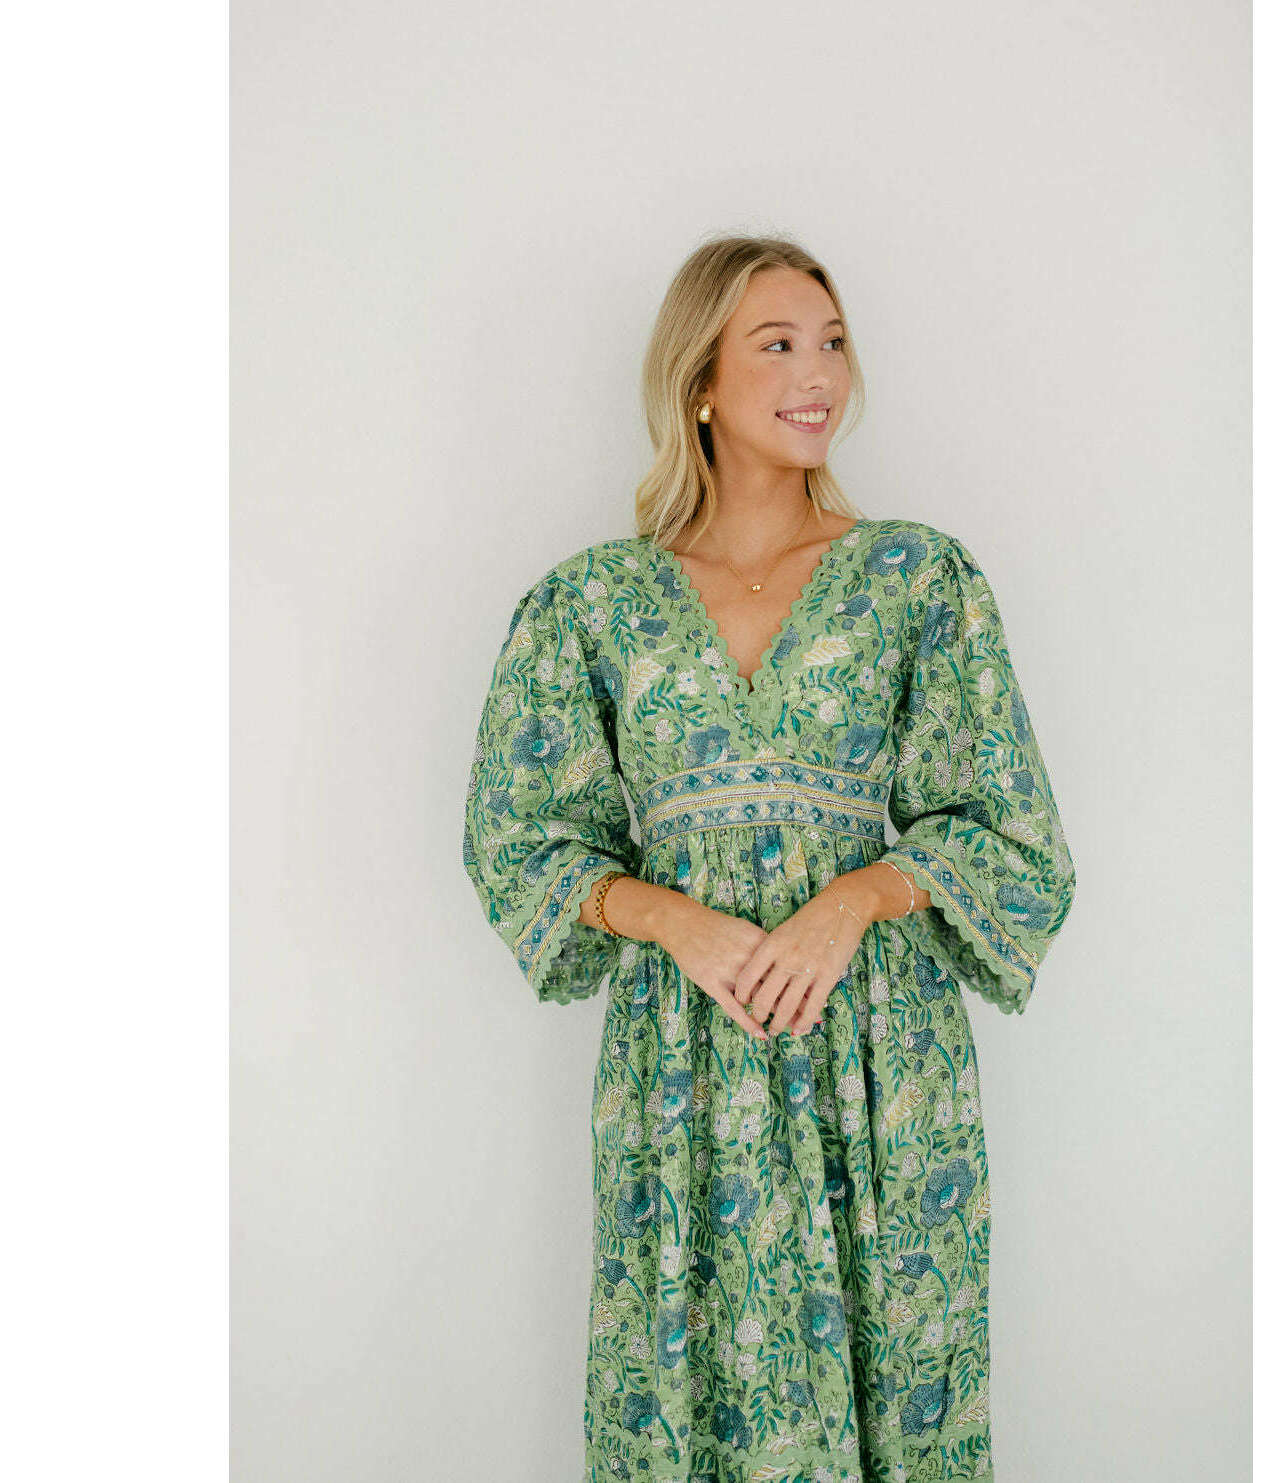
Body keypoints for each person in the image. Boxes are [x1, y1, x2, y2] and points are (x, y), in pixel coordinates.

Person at [462, 234, 1076, 1482]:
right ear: (700, 379)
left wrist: (857, 895)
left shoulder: (917, 579)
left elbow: (1014, 831)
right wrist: (667, 918)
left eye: (833, 343)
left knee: (897, 1363)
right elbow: (513, 835)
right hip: (682, 1057)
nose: (819, 374)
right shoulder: (589, 604)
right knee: (688, 1375)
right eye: (779, 343)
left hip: (877, 1052)